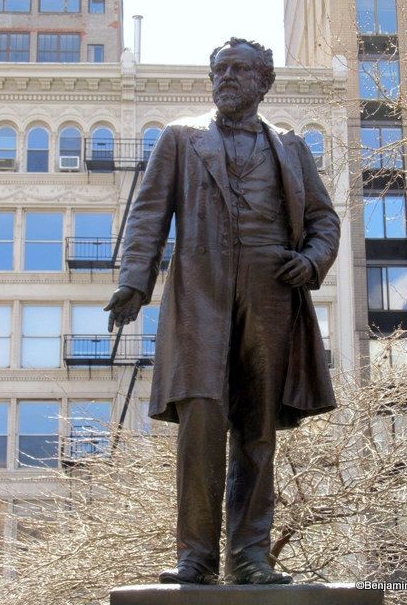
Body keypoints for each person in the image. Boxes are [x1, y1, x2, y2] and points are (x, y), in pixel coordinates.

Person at [105, 37, 340, 585]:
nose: (226, 77)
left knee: (258, 430)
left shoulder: (291, 147)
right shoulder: (180, 138)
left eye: (239, 70)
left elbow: (325, 220)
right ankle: (197, 557)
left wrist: (311, 261)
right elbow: (148, 217)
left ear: (264, 82)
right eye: (220, 69)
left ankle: (250, 557)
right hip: (201, 294)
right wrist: (133, 284)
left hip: (270, 293)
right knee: (202, 422)